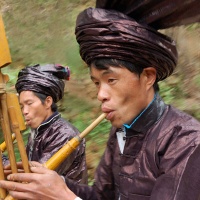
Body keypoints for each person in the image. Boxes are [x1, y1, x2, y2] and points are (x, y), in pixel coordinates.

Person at [0, 0, 200, 199]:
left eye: (111, 80)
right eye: (97, 83)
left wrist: (63, 197)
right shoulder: (121, 130)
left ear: (147, 76)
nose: (100, 94)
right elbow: (100, 196)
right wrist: (55, 182)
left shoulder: (186, 142)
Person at [2, 63, 87, 184]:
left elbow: (34, 177)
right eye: (22, 106)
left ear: (47, 102)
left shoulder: (65, 134)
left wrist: (3, 162)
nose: (24, 111)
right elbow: (24, 168)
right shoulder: (37, 132)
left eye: (29, 103)